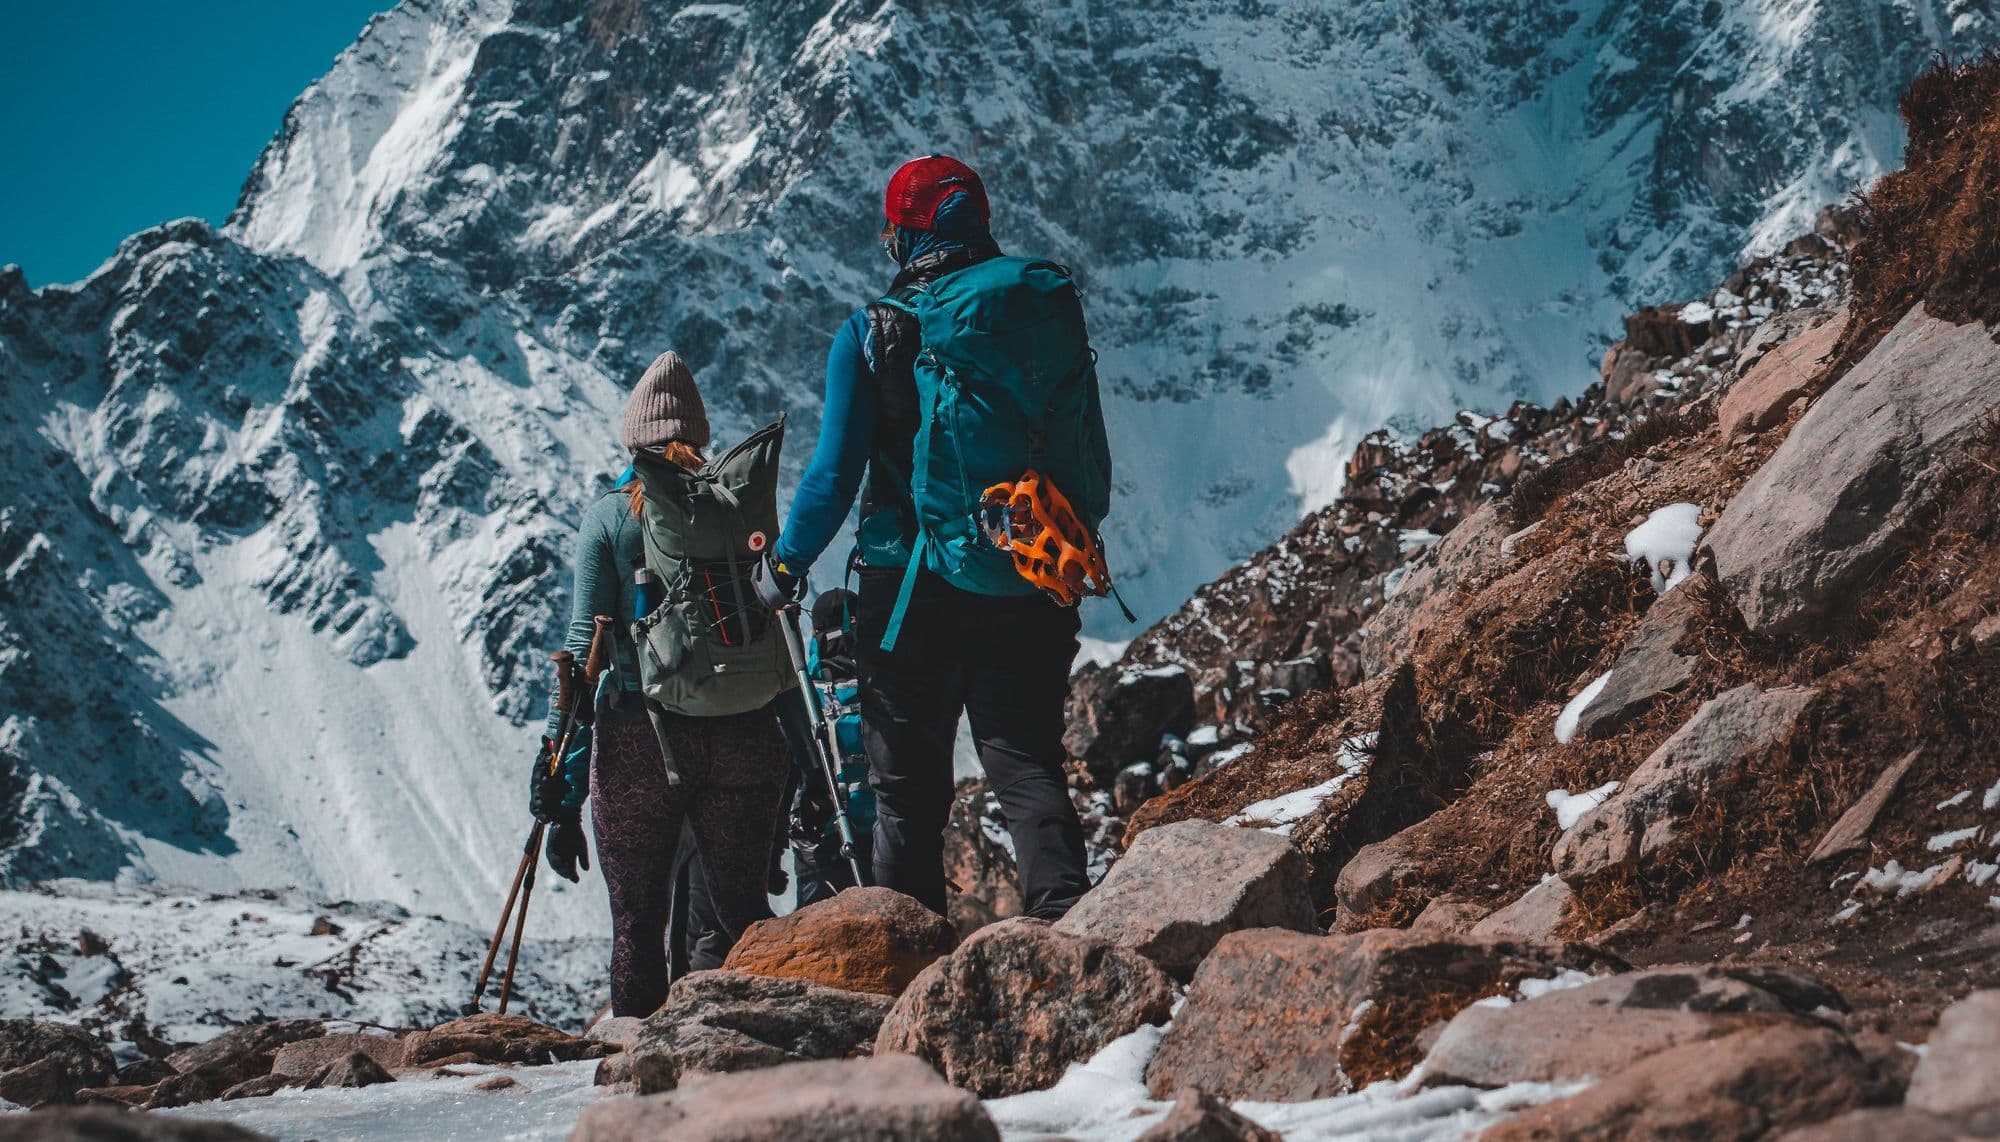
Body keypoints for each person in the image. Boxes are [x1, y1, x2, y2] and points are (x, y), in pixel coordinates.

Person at [769, 155, 1101, 920]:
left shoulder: (874, 331)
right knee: (1025, 764)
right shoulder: (1034, 305)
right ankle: (1064, 928)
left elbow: (831, 479)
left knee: (908, 795)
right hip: (1027, 565)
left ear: (907, 233)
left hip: (908, 589)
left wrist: (785, 565)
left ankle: (903, 967)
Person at [531, 350, 791, 1017]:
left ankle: (636, 1092)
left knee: (638, 929)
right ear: (699, 436)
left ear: (631, 439)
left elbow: (583, 644)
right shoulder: (738, 509)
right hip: (747, 731)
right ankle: (765, 1065)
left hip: (639, 740)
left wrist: (557, 776)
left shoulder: (612, 516)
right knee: (743, 917)